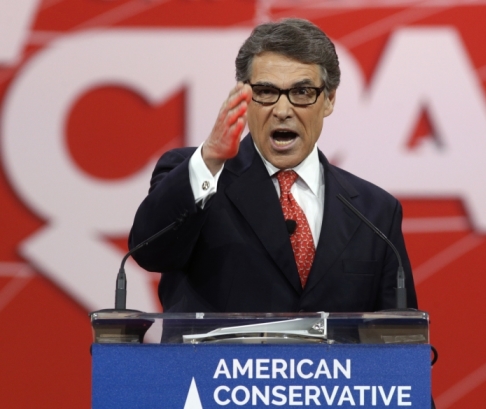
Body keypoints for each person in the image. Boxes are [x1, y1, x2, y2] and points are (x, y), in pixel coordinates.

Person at [129, 18, 418, 314]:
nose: (282, 110)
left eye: (302, 92)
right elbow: (149, 254)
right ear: (244, 96)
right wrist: (211, 158)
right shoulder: (199, 176)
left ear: (329, 99)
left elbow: (397, 340)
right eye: (266, 92)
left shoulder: (375, 212)